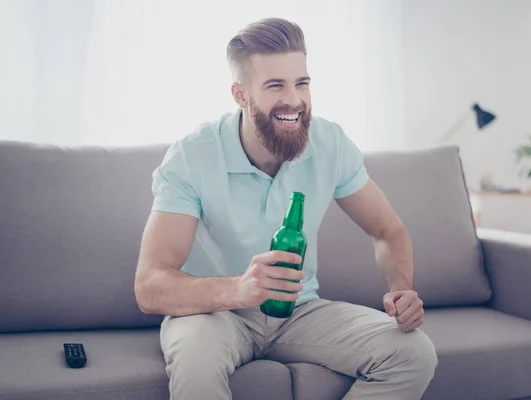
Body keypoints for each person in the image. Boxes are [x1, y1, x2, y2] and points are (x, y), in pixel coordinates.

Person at [134, 17, 438, 400]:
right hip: (214, 315)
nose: (294, 100)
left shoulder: (330, 143)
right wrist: (240, 289)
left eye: (302, 83)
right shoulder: (192, 157)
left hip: (300, 313)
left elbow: (387, 230)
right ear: (241, 95)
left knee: (414, 352)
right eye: (275, 85)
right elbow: (150, 285)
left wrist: (401, 290)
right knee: (195, 361)